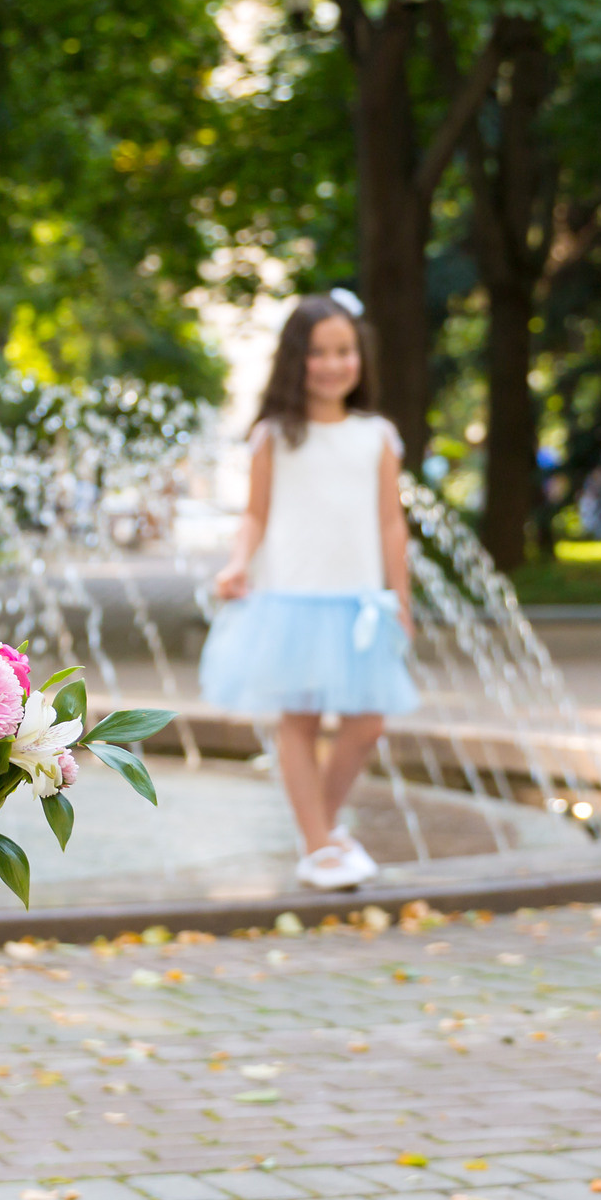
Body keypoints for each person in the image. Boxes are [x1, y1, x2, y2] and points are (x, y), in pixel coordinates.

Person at [204, 292, 418, 890]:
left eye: (344, 351)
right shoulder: (275, 435)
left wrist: (401, 597)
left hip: (359, 606)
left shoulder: (377, 435)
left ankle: (317, 831)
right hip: (290, 600)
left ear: (361, 357)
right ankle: (321, 843)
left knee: (367, 723)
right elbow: (255, 515)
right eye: (318, 353)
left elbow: (389, 523)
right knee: (297, 722)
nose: (332, 364)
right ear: (295, 360)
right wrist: (238, 563)